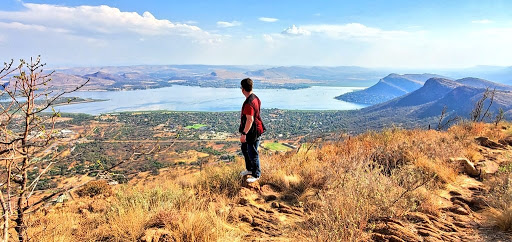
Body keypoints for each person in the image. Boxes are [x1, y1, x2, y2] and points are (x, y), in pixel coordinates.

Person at [239, 78, 265, 183]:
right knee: (245, 149)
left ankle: (256, 174)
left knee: (252, 152)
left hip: (252, 132)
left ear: (243, 89)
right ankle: (249, 169)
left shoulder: (249, 102)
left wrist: (244, 134)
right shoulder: (255, 98)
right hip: (255, 129)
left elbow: (250, 120)